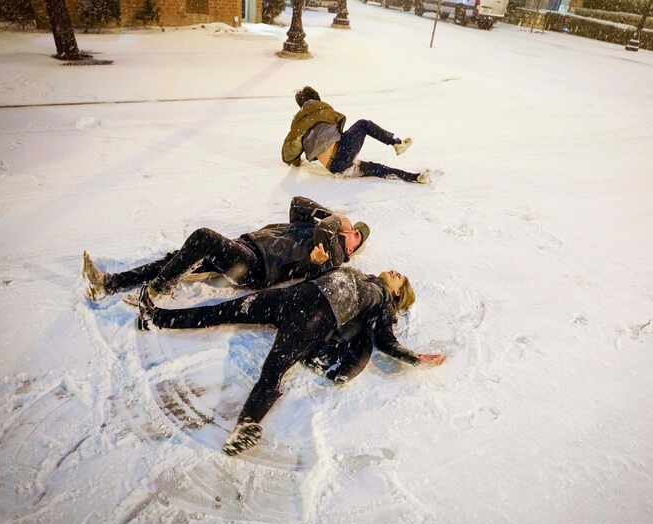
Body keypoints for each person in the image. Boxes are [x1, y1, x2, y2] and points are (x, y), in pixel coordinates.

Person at [136, 266, 446, 456]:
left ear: (397, 295)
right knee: (225, 309)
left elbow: (386, 339)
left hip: (315, 317)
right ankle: (157, 317)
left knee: (274, 368)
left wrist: (413, 357)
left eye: (400, 281)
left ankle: (247, 425)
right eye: (397, 274)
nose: (395, 274)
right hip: (291, 298)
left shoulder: (381, 302)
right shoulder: (359, 274)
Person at [82, 196, 369, 301]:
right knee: (180, 259)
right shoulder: (315, 227)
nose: (351, 230)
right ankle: (109, 284)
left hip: (258, 267)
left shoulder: (333, 254)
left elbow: (323, 230)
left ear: (353, 249)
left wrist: (335, 220)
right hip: (247, 248)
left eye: (356, 233)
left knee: (203, 238)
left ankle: (159, 289)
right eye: (352, 226)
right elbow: (297, 203)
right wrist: (329, 211)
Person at [282, 86, 431, 184]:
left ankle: (415, 177)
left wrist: (296, 160)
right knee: (363, 124)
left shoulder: (297, 127)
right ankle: (396, 143)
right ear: (316, 99)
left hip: (336, 167)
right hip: (341, 154)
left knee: (376, 168)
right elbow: (339, 128)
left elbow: (289, 153)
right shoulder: (323, 110)